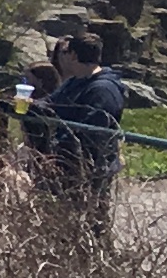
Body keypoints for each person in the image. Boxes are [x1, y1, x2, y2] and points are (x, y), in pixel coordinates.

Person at [40, 30, 128, 224]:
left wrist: (54, 148)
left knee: (88, 222)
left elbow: (90, 135)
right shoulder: (74, 82)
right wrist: (24, 106)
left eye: (66, 53)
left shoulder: (102, 90)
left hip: (89, 168)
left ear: (73, 55)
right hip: (62, 164)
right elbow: (49, 104)